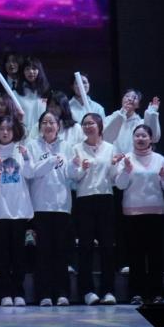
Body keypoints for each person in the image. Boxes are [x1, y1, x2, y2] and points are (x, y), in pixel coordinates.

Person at [115, 125, 164, 304]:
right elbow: (120, 185)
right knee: (135, 255)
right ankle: (136, 293)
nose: (140, 139)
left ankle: (157, 293)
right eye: (137, 136)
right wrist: (126, 170)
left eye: (144, 136)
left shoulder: (159, 158)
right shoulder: (127, 158)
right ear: (133, 138)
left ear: (150, 139)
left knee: (156, 254)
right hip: (132, 213)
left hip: (156, 212)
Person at [0, 116, 34, 306]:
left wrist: (26, 157)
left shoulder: (21, 149)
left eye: (9, 129)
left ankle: (18, 292)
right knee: (2, 254)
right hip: (0, 210)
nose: (5, 132)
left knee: (19, 254)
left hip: (20, 209)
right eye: (2, 129)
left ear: (15, 131)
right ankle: (4, 293)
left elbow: (30, 173)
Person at [69, 112, 119, 305]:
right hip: (85, 199)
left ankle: (108, 290)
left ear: (99, 126)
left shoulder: (110, 148)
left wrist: (114, 165)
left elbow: (113, 177)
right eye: (85, 124)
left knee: (107, 246)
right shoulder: (76, 148)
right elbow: (74, 177)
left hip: (105, 198)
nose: (88, 127)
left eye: (91, 123)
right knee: (85, 247)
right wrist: (82, 168)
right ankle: (87, 291)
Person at [28, 110, 74, 306]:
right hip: (40, 205)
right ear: (40, 126)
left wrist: (76, 166)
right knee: (43, 252)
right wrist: (51, 160)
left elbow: (71, 174)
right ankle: (44, 294)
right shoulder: (32, 145)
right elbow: (31, 172)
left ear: (58, 126)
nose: (48, 126)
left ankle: (62, 293)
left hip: (62, 205)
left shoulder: (68, 146)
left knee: (61, 251)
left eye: (52, 122)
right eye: (45, 122)